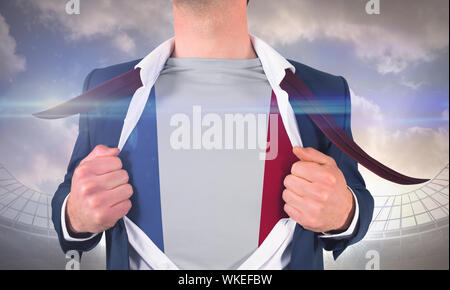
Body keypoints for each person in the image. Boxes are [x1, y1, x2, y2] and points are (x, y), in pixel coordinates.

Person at [51, 0, 375, 270]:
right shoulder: (105, 89)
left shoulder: (324, 91)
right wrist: (76, 212)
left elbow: (355, 199)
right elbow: (69, 200)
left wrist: (344, 211)